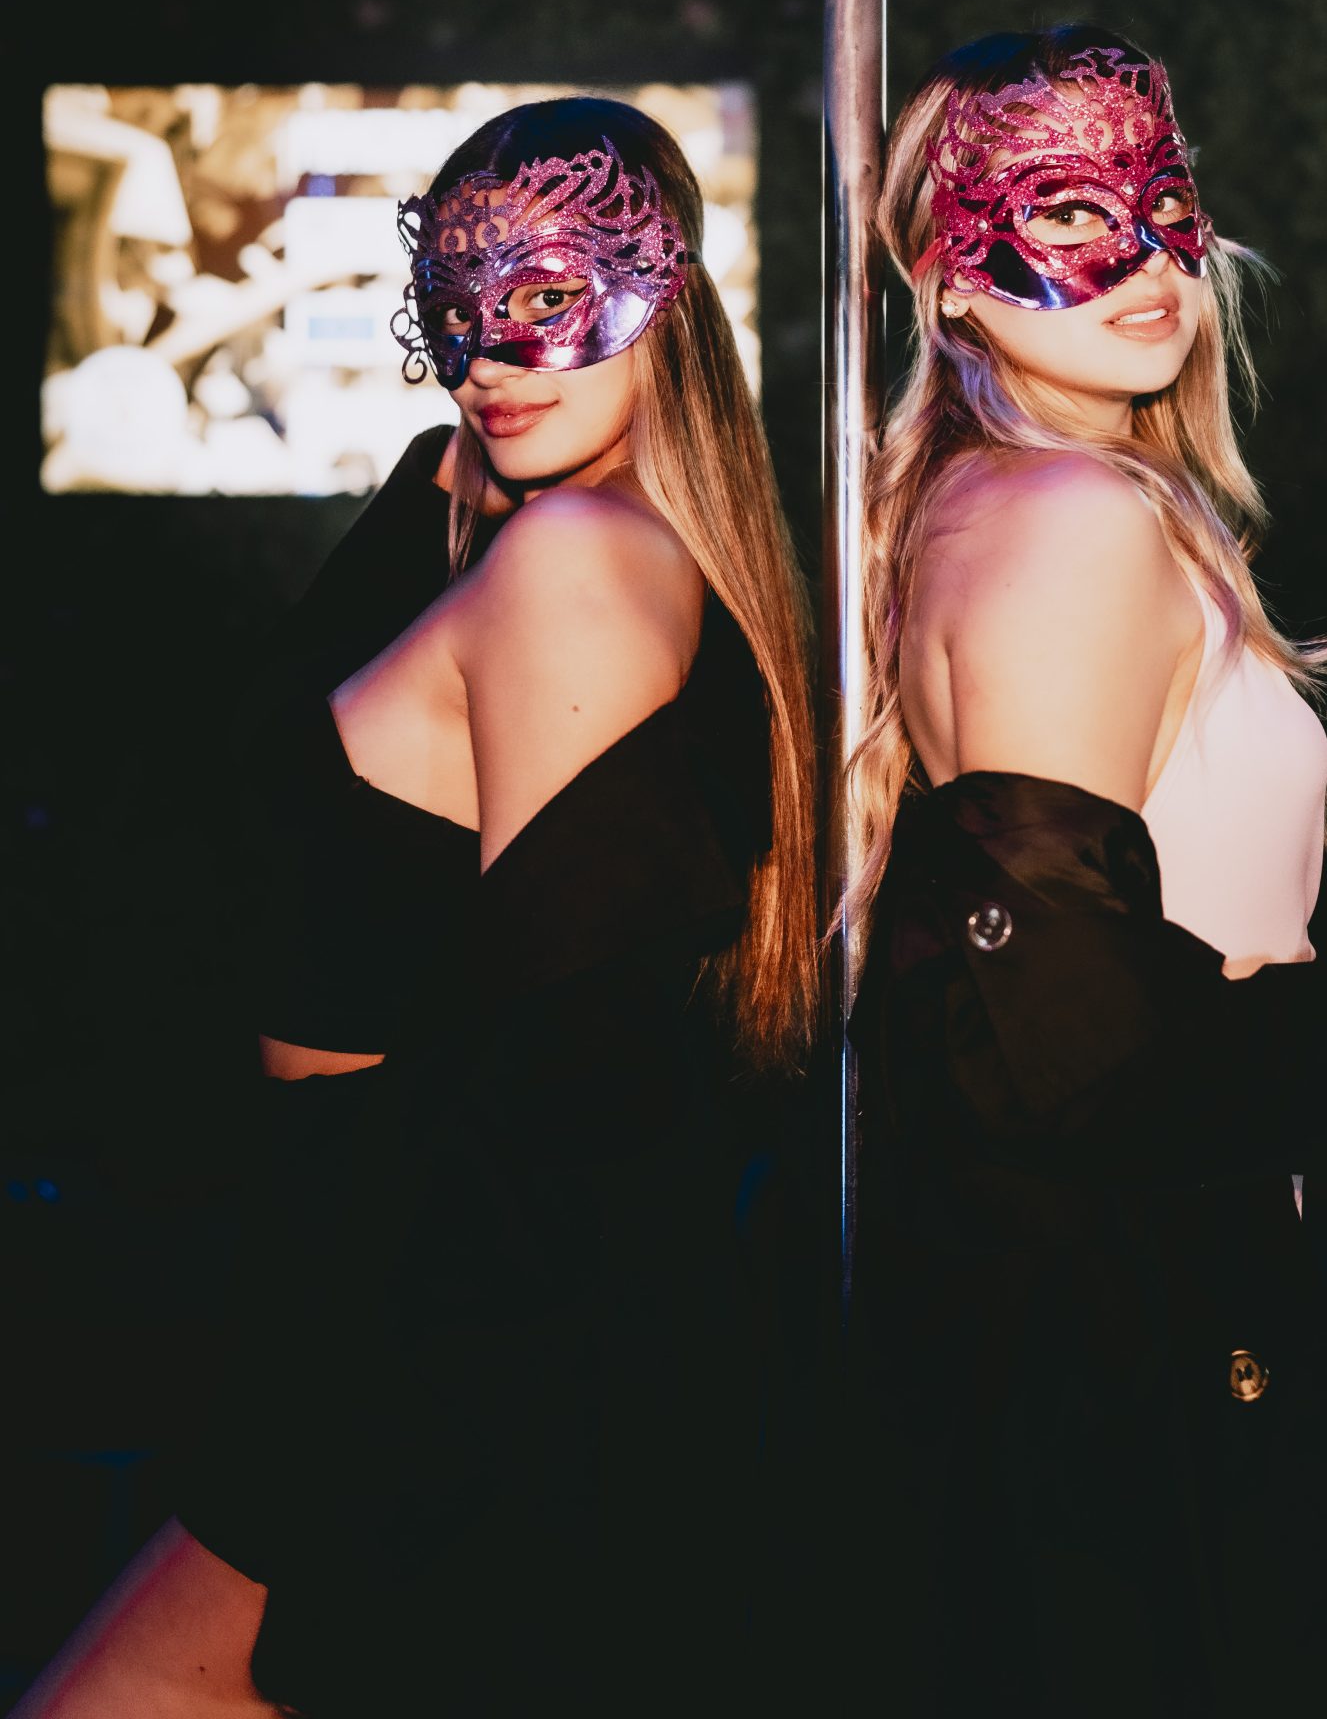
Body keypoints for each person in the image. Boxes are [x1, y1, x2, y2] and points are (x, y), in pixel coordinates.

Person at [19, 98, 818, 1719]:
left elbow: (563, 1075)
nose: (488, 355)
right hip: (362, 1277)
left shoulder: (575, 561)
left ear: (665, 290)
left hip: (420, 1311)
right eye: (454, 309)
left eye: (546, 298)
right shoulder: (552, 536)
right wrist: (446, 463)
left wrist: (396, 1424)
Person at [848, 26, 1327, 1719]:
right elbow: (1075, 1045)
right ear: (950, 274)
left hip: (1201, 1291)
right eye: (1071, 215)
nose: (1149, 258)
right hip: (1148, 1326)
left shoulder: (1027, 507)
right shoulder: (1066, 524)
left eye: (1164, 205)